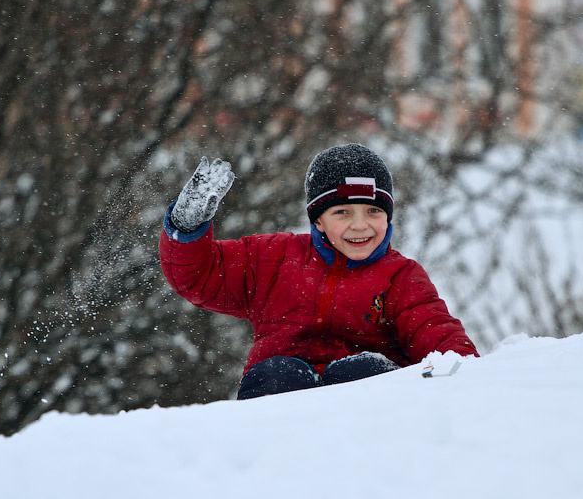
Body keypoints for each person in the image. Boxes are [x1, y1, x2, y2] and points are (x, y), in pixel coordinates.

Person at [159, 143, 479, 400]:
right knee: (275, 374)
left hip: (368, 405)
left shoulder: (400, 276)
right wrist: (187, 226)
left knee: (364, 370)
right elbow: (201, 275)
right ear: (317, 220)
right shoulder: (274, 258)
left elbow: (433, 327)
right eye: (342, 212)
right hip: (283, 392)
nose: (360, 224)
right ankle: (264, 451)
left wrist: (465, 370)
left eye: (373, 211)